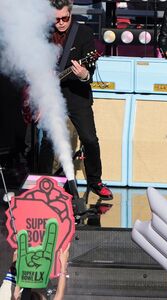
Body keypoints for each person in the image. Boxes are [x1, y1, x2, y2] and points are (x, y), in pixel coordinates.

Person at [38, 0, 112, 200]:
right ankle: (43, 182)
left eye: (65, 18)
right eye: (57, 19)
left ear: (70, 14)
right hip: (52, 96)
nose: (61, 23)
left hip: (77, 95)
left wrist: (83, 74)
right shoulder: (44, 34)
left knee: (90, 139)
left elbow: (90, 72)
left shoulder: (83, 33)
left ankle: (95, 181)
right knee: (47, 142)